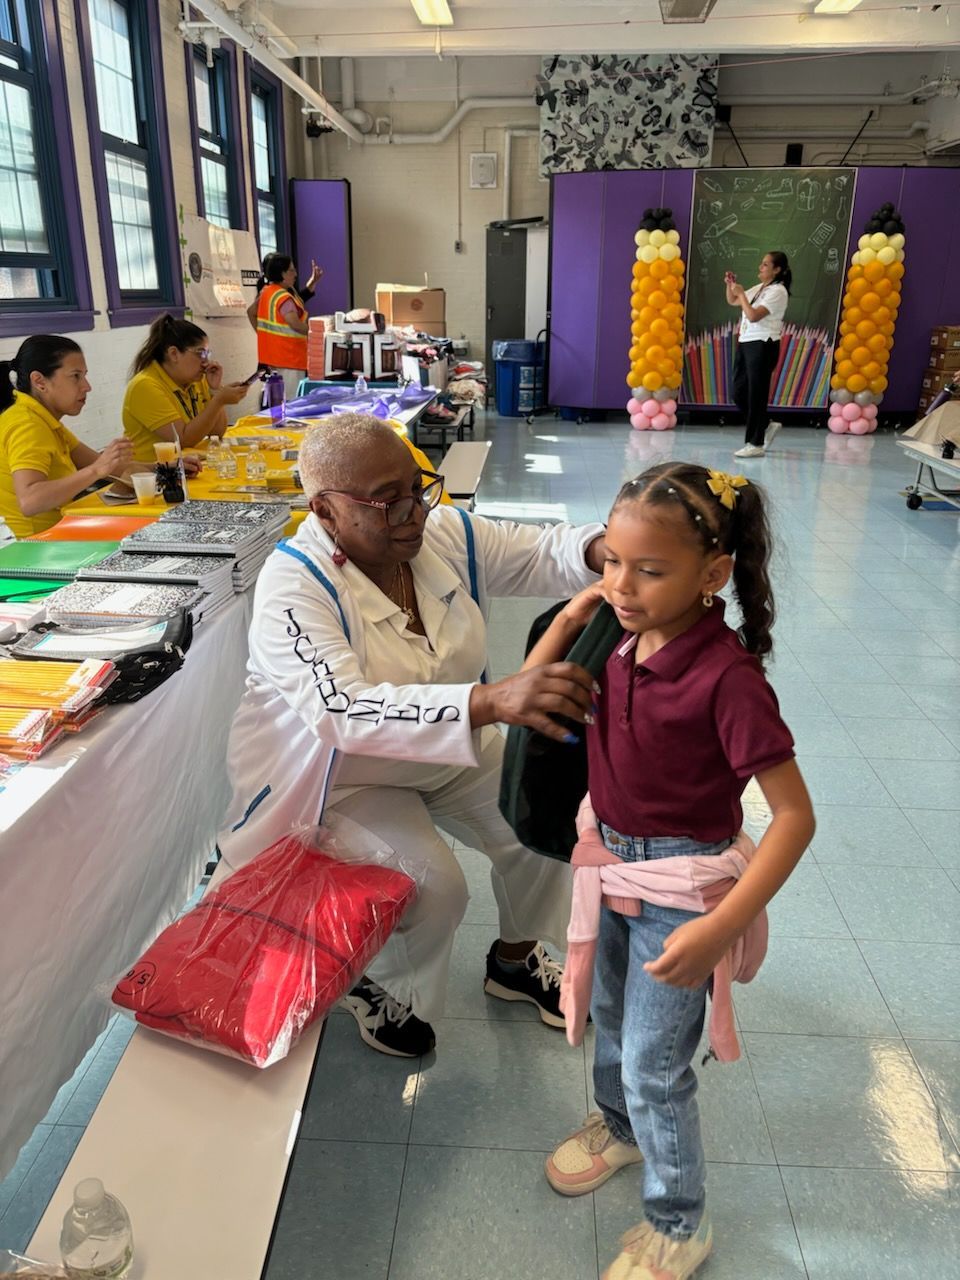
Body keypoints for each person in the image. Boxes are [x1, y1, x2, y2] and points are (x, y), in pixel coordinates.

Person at [216, 414, 608, 1058]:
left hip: (450, 744)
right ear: (325, 509)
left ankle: (514, 959)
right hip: (344, 775)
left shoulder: (439, 535)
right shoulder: (294, 586)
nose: (412, 513)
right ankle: (376, 985)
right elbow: (343, 711)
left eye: (417, 487)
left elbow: (541, 550)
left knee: (546, 822)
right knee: (435, 887)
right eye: (385, 501)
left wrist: (606, 549)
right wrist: (489, 700)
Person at [534, 462, 814, 1280]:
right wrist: (580, 613)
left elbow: (794, 817)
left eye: (649, 571)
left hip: (681, 895)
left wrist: (718, 927)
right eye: (611, 562)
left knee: (658, 1065)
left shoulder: (727, 681)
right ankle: (619, 1132)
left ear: (714, 575)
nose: (622, 584)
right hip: (613, 868)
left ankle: (680, 1220)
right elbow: (537, 690)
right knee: (615, 1025)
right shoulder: (623, 634)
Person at [0, 336, 134, 537]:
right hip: (35, 548)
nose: (87, 386)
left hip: (59, 533)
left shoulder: (43, 418)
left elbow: (105, 465)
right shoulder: (28, 424)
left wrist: (167, 468)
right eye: (75, 376)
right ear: (39, 382)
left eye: (85, 376)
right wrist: (95, 470)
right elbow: (30, 501)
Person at [122, 314, 252, 464]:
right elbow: (183, 439)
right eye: (200, 353)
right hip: (151, 474)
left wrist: (215, 391)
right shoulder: (145, 386)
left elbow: (216, 433)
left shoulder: (197, 378)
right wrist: (218, 400)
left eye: (208, 354)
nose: (206, 362)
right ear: (174, 354)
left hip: (185, 465)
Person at [725, 251, 791, 459]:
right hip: (746, 343)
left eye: (765, 265)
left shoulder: (778, 291)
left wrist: (743, 294)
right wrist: (731, 285)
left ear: (777, 269)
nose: (760, 267)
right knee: (738, 391)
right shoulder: (760, 289)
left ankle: (755, 443)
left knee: (756, 393)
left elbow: (753, 316)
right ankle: (766, 425)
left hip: (763, 344)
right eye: (761, 264)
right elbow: (733, 301)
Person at [247, 254, 323, 400]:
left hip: (274, 358)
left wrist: (265, 336)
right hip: (289, 358)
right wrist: (318, 333)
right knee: (291, 401)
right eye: (291, 270)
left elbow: (251, 312)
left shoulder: (269, 291)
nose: (295, 274)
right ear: (282, 273)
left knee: (276, 402)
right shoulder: (282, 296)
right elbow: (294, 323)